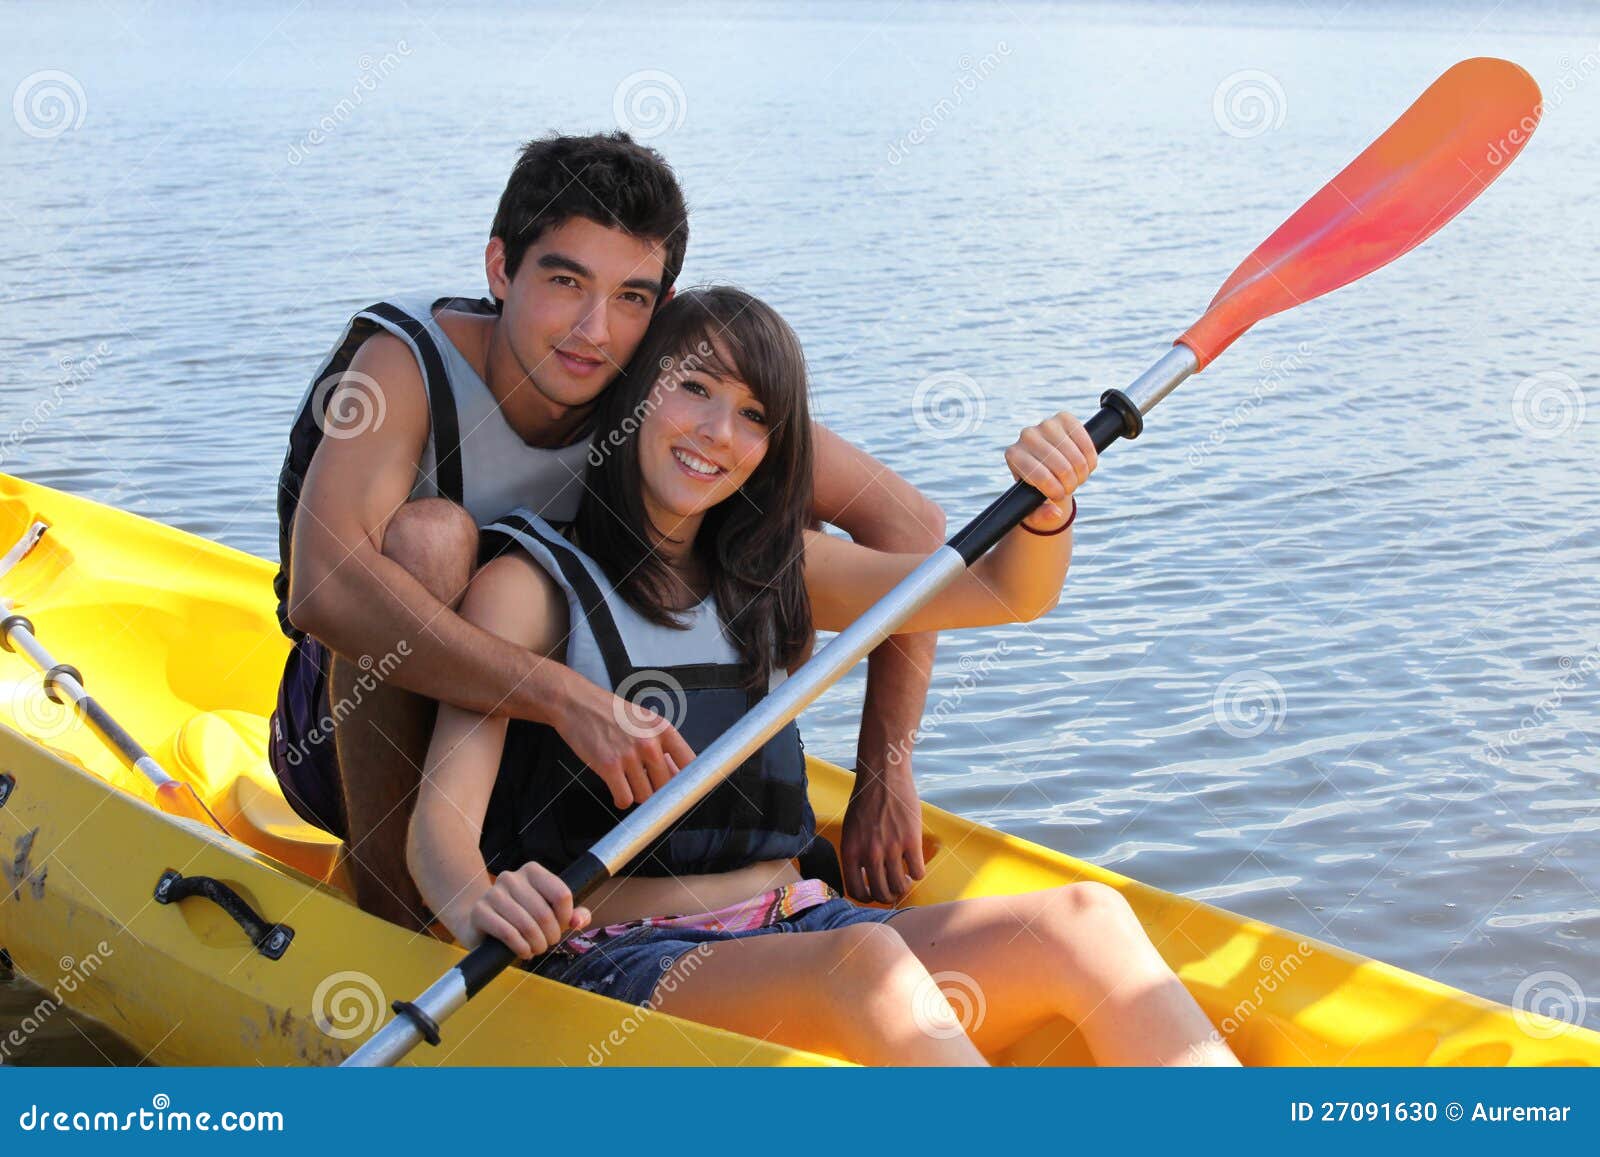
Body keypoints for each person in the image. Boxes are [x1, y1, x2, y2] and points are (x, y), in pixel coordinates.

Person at [408, 287, 1240, 1066]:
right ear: (633, 396)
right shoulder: (527, 587)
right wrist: (481, 903)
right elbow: (440, 833)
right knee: (864, 960)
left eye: (753, 415)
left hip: (802, 920)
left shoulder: (777, 568)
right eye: (694, 388)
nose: (716, 433)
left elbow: (1004, 591)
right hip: (626, 961)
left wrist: (1048, 502)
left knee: (1084, 921)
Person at [269, 133, 944, 929]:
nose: (594, 329)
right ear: (500, 269)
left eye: (631, 296)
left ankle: (723, 873)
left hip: (556, 760)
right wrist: (561, 697)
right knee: (432, 539)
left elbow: (913, 531)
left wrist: (884, 771)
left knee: (773, 502)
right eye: (565, 281)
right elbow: (324, 586)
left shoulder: (661, 384)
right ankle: (398, 916)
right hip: (354, 743)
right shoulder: (402, 365)